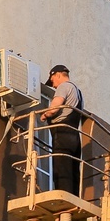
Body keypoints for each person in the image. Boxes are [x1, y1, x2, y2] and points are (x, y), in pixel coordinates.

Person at [39, 64, 83, 197]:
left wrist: (44, 114)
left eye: (52, 81)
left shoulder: (64, 87)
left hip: (62, 134)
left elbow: (54, 109)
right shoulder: (78, 92)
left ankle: (63, 202)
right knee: (73, 171)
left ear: (57, 75)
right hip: (74, 137)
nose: (53, 85)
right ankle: (74, 200)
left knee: (61, 170)